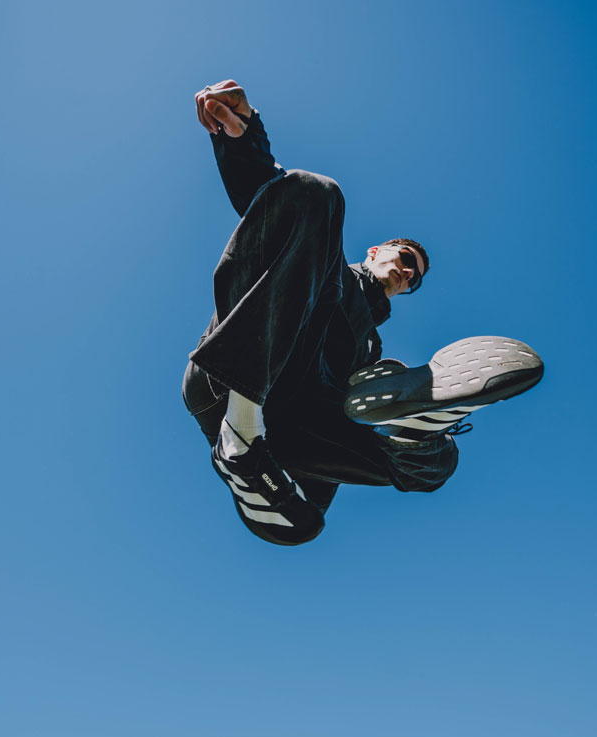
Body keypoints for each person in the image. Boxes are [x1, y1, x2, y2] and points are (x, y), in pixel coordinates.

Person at [183, 79, 543, 546]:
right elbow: (273, 196)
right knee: (316, 194)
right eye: (405, 258)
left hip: (286, 432)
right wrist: (243, 136)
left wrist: (302, 499)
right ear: (375, 252)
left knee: (438, 461)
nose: (409, 274)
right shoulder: (325, 265)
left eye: (415, 278)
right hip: (231, 384)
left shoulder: (367, 347)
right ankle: (240, 435)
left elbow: (331, 438)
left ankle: (413, 433)